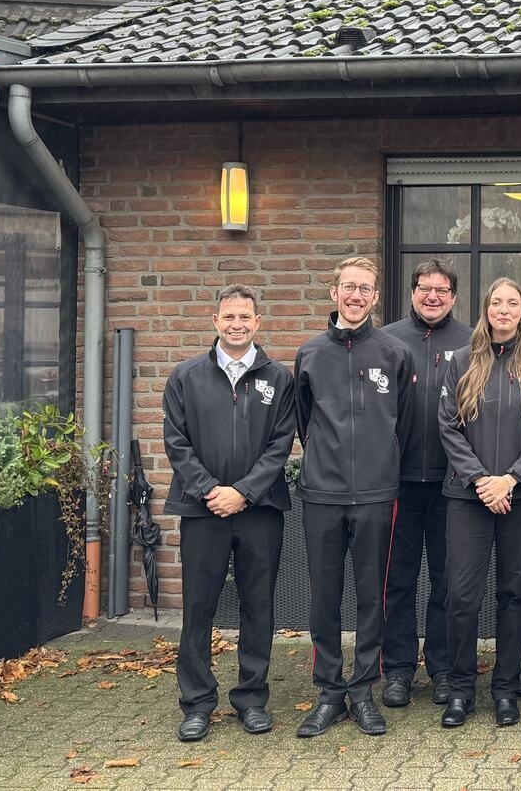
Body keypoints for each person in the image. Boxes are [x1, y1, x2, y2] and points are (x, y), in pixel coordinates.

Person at [163, 285, 296, 743]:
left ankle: (252, 699)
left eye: (246, 317)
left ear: (258, 322)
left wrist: (243, 492)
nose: (237, 324)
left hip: (260, 510)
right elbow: (176, 442)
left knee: (258, 606)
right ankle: (197, 703)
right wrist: (210, 492)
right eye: (229, 316)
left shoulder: (278, 378)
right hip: (202, 512)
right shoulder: (185, 376)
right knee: (198, 609)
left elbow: (281, 443)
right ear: (214, 321)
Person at [293, 257, 414, 738]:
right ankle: (328, 692)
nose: (356, 295)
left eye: (365, 288)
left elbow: (400, 421)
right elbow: (304, 422)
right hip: (322, 492)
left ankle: (363, 690)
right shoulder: (310, 354)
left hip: (378, 494)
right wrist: (326, 460)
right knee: (324, 595)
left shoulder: (393, 353)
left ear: (376, 297)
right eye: (348, 287)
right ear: (333, 293)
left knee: (372, 594)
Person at [438, 277, 521, 728]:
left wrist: (510, 479)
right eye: (496, 303)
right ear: (485, 309)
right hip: (467, 497)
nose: (503, 310)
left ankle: (505, 688)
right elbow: (448, 427)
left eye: (512, 304)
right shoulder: (462, 362)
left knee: (514, 594)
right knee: (462, 596)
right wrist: (481, 480)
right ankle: (460, 688)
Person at [381, 258, 472, 710]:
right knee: (396, 579)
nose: (432, 296)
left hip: (451, 484)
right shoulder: (388, 339)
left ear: (454, 297)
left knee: (446, 580)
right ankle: (397, 668)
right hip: (396, 483)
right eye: (424, 288)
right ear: (412, 292)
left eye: (441, 289)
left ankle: (441, 668)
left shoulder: (471, 342)